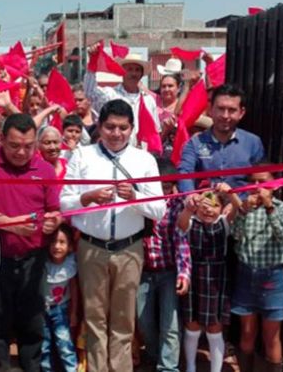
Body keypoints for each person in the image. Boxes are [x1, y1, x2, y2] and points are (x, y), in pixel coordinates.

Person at [60, 99, 166, 372]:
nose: (116, 133)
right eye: (109, 127)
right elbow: (64, 202)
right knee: (95, 318)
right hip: (91, 248)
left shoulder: (144, 160)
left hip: (129, 249)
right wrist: (88, 197)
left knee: (123, 320)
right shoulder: (83, 156)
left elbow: (159, 209)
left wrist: (136, 197)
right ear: (100, 127)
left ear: (132, 128)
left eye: (122, 128)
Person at [0, 113, 62, 372]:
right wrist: (9, 224)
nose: (22, 152)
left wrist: (52, 222)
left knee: (32, 322)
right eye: (14, 146)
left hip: (34, 258)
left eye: (29, 146)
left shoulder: (43, 168)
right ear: (1, 140)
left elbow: (54, 210)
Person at [231, 169, 283, 372]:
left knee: (271, 337)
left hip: (272, 276)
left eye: (263, 182)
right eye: (254, 182)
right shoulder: (246, 208)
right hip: (247, 273)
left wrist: (269, 207)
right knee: (247, 334)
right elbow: (235, 235)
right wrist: (242, 210)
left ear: (274, 185)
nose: (258, 187)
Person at [136, 159, 191, 372]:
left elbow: (182, 241)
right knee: (144, 321)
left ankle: (168, 367)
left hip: (169, 272)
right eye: (159, 186)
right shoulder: (138, 204)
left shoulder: (177, 205)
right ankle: (153, 355)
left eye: (168, 186)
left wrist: (183, 274)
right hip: (142, 272)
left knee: (171, 323)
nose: (164, 191)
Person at [177, 185, 238, 372]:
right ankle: (191, 368)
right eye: (204, 204)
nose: (208, 209)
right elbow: (181, 223)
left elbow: (238, 208)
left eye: (214, 205)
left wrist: (230, 193)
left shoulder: (224, 223)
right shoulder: (191, 222)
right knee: (192, 325)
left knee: (214, 327)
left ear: (221, 208)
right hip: (194, 276)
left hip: (217, 280)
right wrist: (189, 207)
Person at [178, 84, 264, 192]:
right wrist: (190, 196)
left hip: (242, 206)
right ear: (211, 110)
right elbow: (185, 173)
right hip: (205, 205)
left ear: (241, 113)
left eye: (232, 110)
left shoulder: (253, 143)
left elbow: (261, 177)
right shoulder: (195, 143)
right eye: (221, 109)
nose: (225, 115)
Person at [83, 45, 161, 148]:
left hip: (141, 153)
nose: (133, 73)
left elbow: (155, 131)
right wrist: (93, 62)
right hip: (115, 150)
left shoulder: (148, 100)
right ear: (122, 72)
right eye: (130, 69)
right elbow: (90, 92)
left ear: (142, 74)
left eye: (137, 70)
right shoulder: (111, 95)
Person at [41, 223, 79, 372]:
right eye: (53, 242)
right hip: (42, 310)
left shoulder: (70, 263)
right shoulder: (43, 263)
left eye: (62, 242)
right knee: (44, 345)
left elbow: (74, 288)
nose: (57, 246)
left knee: (64, 343)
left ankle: (71, 369)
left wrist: (74, 312)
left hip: (60, 309)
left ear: (69, 246)